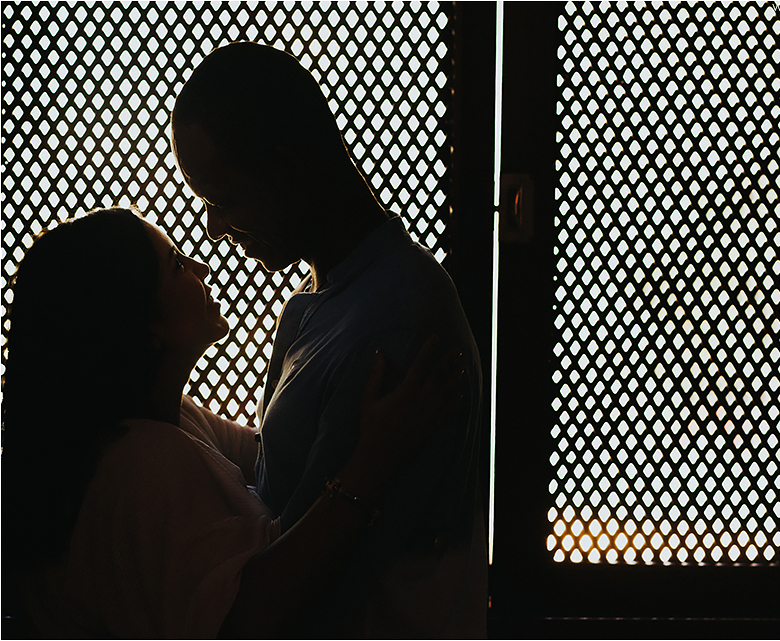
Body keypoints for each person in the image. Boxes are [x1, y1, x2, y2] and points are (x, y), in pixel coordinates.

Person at [2, 207, 462, 638]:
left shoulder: (170, 420)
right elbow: (250, 614)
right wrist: (373, 462)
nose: (200, 269)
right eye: (177, 265)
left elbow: (270, 452)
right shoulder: (142, 462)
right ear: (145, 322)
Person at [170, 42, 487, 637]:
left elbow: (303, 594)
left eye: (225, 198)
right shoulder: (337, 299)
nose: (211, 229)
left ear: (288, 168)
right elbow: (278, 478)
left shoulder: (391, 331)